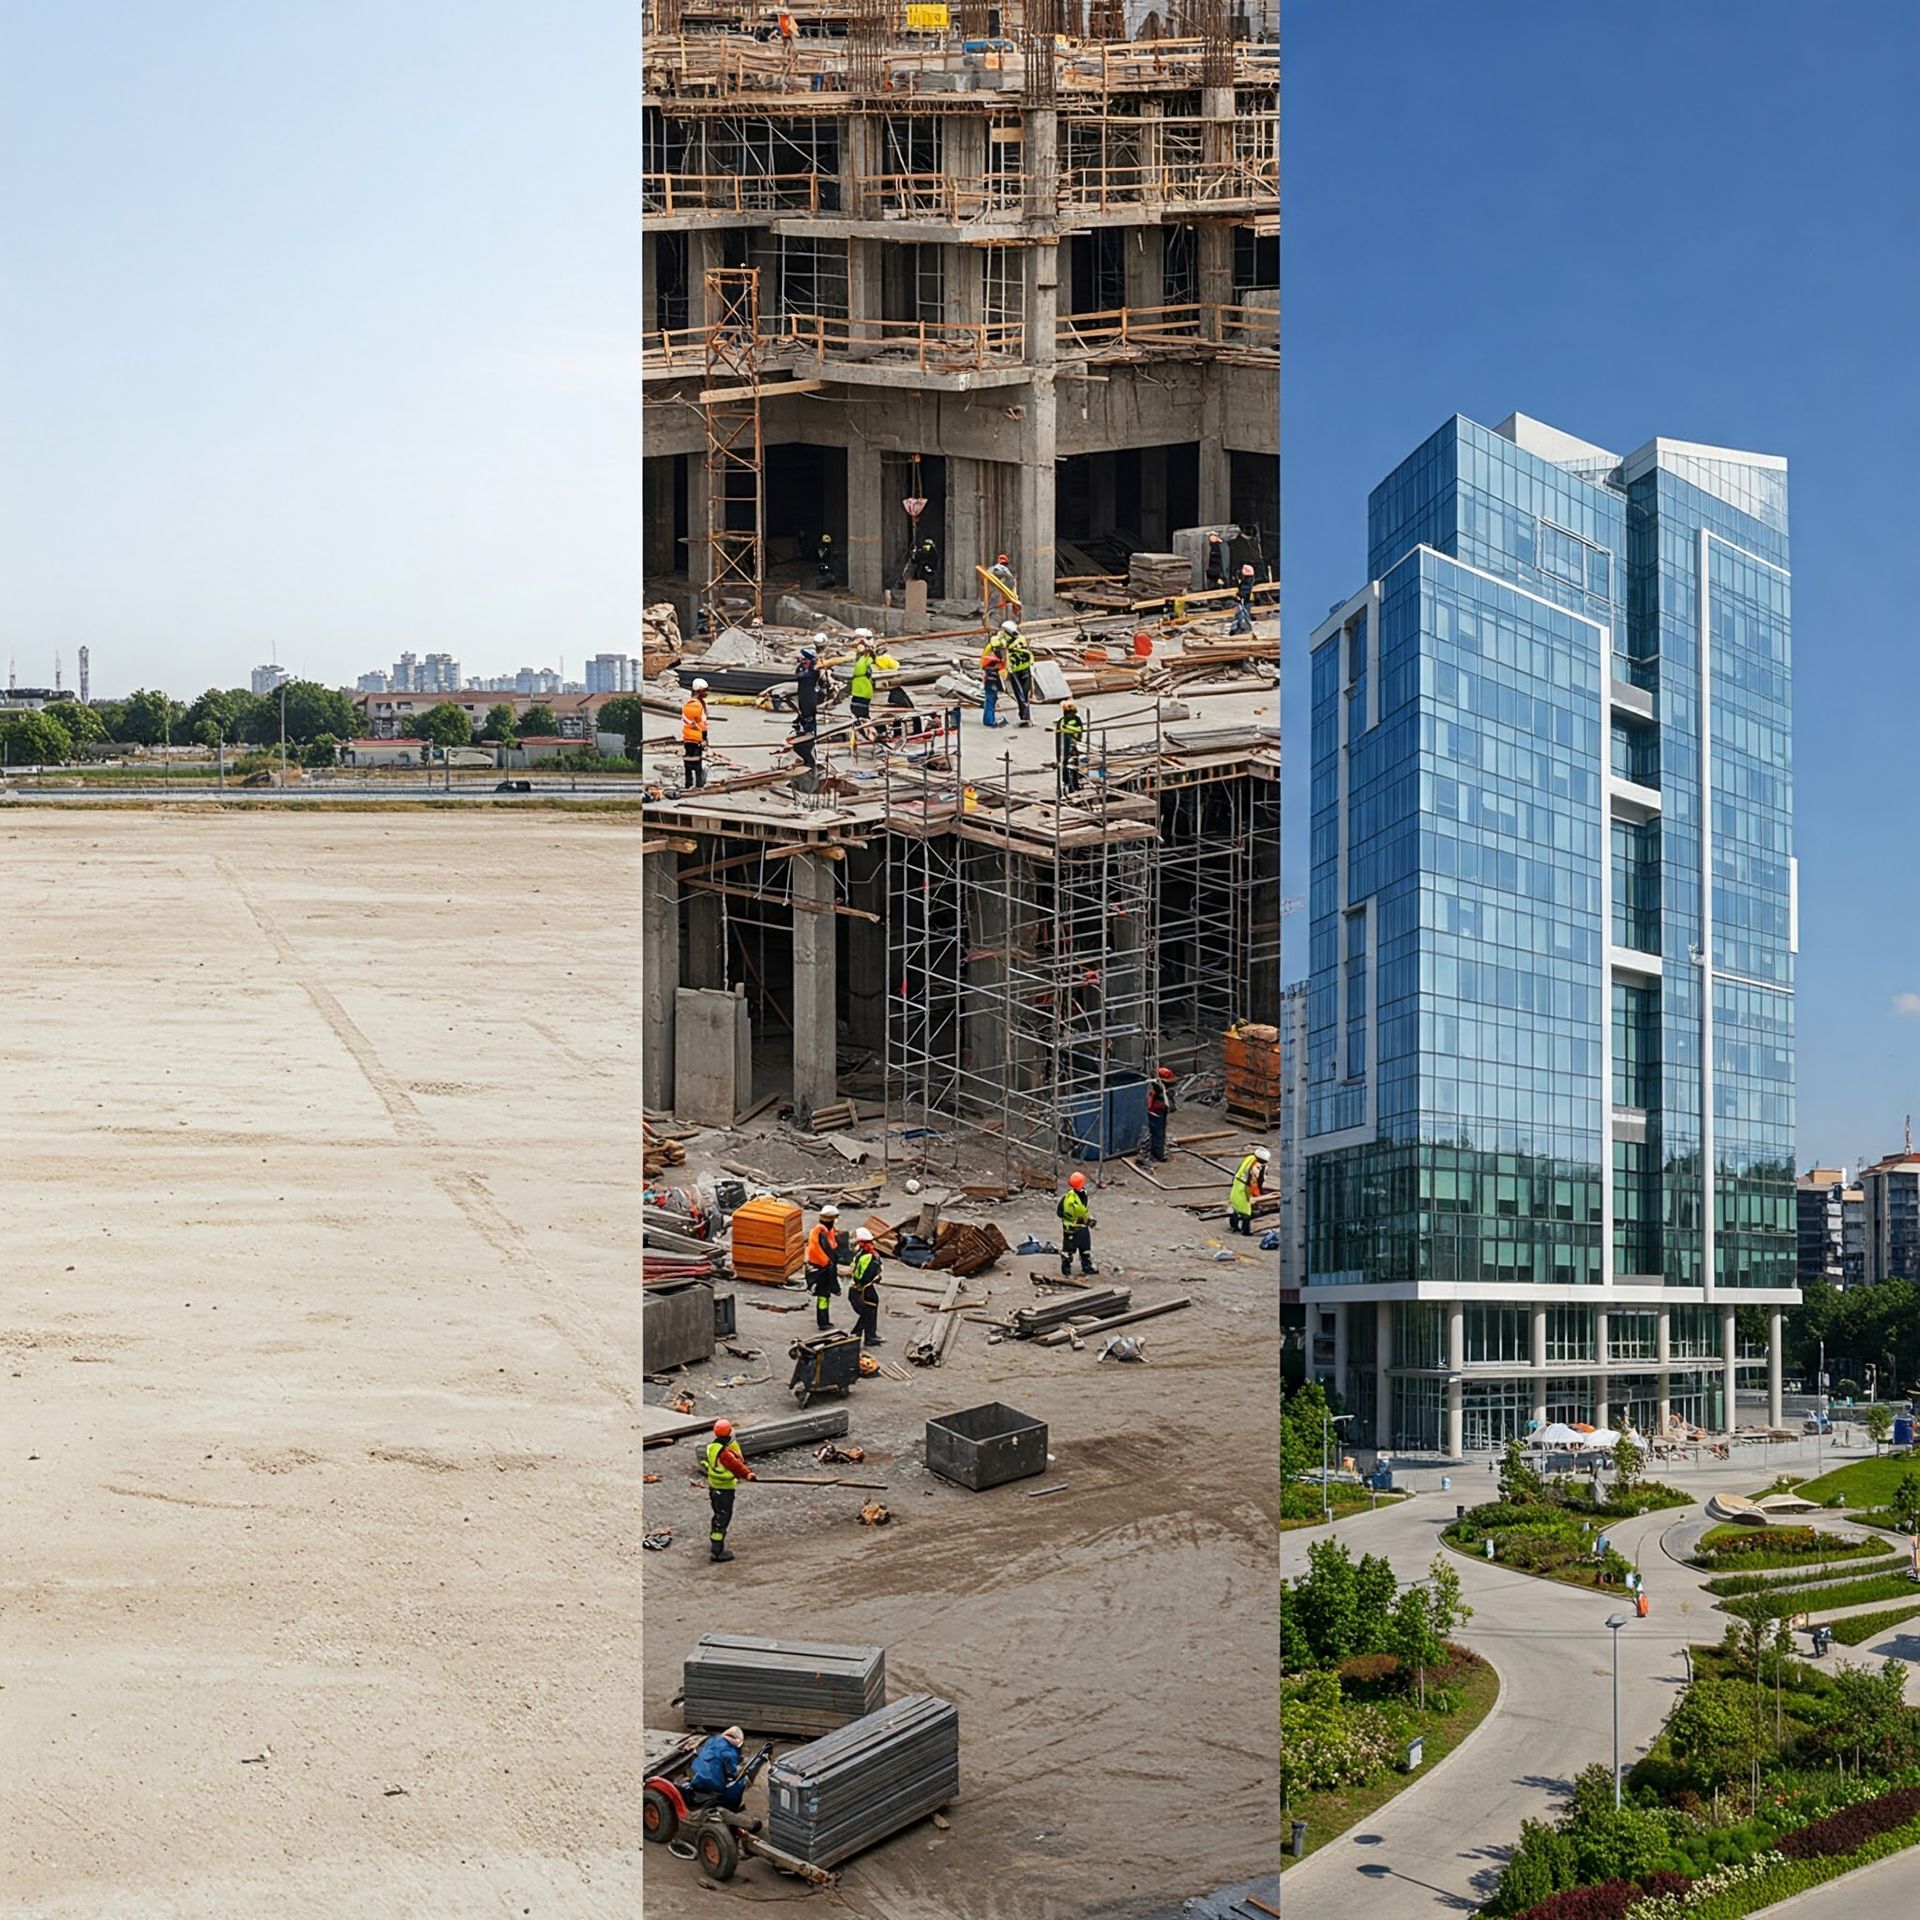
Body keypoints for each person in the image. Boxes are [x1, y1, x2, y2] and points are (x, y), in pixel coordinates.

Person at [703, 1420, 756, 1564]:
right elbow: (735, 1466)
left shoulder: (713, 1447)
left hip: (714, 1487)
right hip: (724, 1489)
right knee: (723, 1517)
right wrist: (748, 1474)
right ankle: (717, 1551)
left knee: (718, 1515)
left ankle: (715, 1542)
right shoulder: (724, 1453)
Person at [689, 1726, 750, 1809]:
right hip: (711, 1783)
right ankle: (730, 1807)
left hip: (695, 1776)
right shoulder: (730, 1753)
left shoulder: (711, 1740)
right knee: (738, 1785)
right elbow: (732, 1772)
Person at [806, 1202, 843, 1330]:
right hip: (822, 1269)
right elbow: (825, 1251)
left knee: (825, 1295)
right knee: (823, 1296)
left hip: (823, 1267)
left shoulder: (825, 1231)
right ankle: (823, 1321)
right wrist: (829, 1263)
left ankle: (824, 1319)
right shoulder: (820, 1233)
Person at [793, 642, 827, 770]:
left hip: (811, 695)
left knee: (809, 713)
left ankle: (811, 736)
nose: (802, 662)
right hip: (802, 694)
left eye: (805, 659)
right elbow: (797, 675)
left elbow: (818, 677)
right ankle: (805, 731)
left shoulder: (815, 669)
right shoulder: (802, 668)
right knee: (803, 712)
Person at [1057, 1170, 1096, 1279]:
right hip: (1077, 1229)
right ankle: (1083, 1268)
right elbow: (1080, 1214)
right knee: (1079, 1250)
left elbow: (1060, 1213)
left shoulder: (1070, 1197)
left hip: (1071, 1229)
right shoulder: (1078, 1198)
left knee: (1073, 1250)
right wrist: (1087, 1221)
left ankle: (1068, 1269)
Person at [847, 1227, 883, 1345]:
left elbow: (861, 1275)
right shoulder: (867, 1255)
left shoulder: (865, 1256)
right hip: (862, 1289)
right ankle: (863, 1335)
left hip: (860, 1288)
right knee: (868, 1310)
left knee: (869, 1309)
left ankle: (866, 1335)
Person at [1229, 1145, 1270, 1235]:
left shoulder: (1249, 1157)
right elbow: (1254, 1180)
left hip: (1237, 1182)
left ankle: (1233, 1225)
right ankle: (1245, 1231)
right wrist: (1253, 1195)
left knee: (1235, 1206)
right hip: (1244, 1186)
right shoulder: (1256, 1166)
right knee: (1246, 1211)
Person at [1003, 621, 1034, 725]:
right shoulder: (1022, 639)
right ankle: (1026, 715)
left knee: (1020, 693)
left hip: (1015, 669)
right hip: (1026, 667)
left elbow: (999, 643)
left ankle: (1024, 716)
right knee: (1025, 694)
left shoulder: (1006, 640)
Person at [682, 679, 711, 790]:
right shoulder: (698, 706)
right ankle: (699, 786)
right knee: (697, 764)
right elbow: (702, 724)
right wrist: (704, 739)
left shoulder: (688, 704)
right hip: (697, 737)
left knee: (688, 761)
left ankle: (688, 784)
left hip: (687, 737)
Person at [1145, 1065, 1176, 1163]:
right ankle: (1157, 1155)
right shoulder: (1157, 1089)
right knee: (1158, 1134)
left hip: (1158, 1111)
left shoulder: (1158, 1087)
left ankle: (1157, 1152)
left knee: (1159, 1134)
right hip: (1156, 1112)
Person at [1054, 695, 1084, 794]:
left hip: (1070, 748)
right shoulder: (1064, 721)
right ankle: (1071, 786)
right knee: (1070, 767)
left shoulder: (1064, 721)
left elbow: (1079, 731)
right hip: (1067, 748)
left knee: (1071, 767)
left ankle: (1073, 785)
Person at [979, 630, 1008, 728]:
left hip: (990, 679)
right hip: (992, 680)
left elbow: (983, 665)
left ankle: (988, 719)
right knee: (991, 699)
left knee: (990, 699)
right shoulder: (994, 659)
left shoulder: (989, 651)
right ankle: (989, 720)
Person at [848, 633, 876, 731]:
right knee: (855, 709)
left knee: (862, 711)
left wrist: (867, 644)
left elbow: (872, 651)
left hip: (863, 689)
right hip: (857, 688)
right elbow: (854, 646)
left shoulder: (868, 658)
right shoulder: (859, 658)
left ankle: (870, 730)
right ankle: (863, 728)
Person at [1230, 563, 1257, 635]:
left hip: (1245, 599)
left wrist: (1240, 595)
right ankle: (1241, 627)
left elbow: (1246, 590)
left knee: (1243, 612)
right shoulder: (1248, 580)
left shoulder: (1247, 580)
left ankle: (1244, 627)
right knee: (1242, 612)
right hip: (1245, 599)